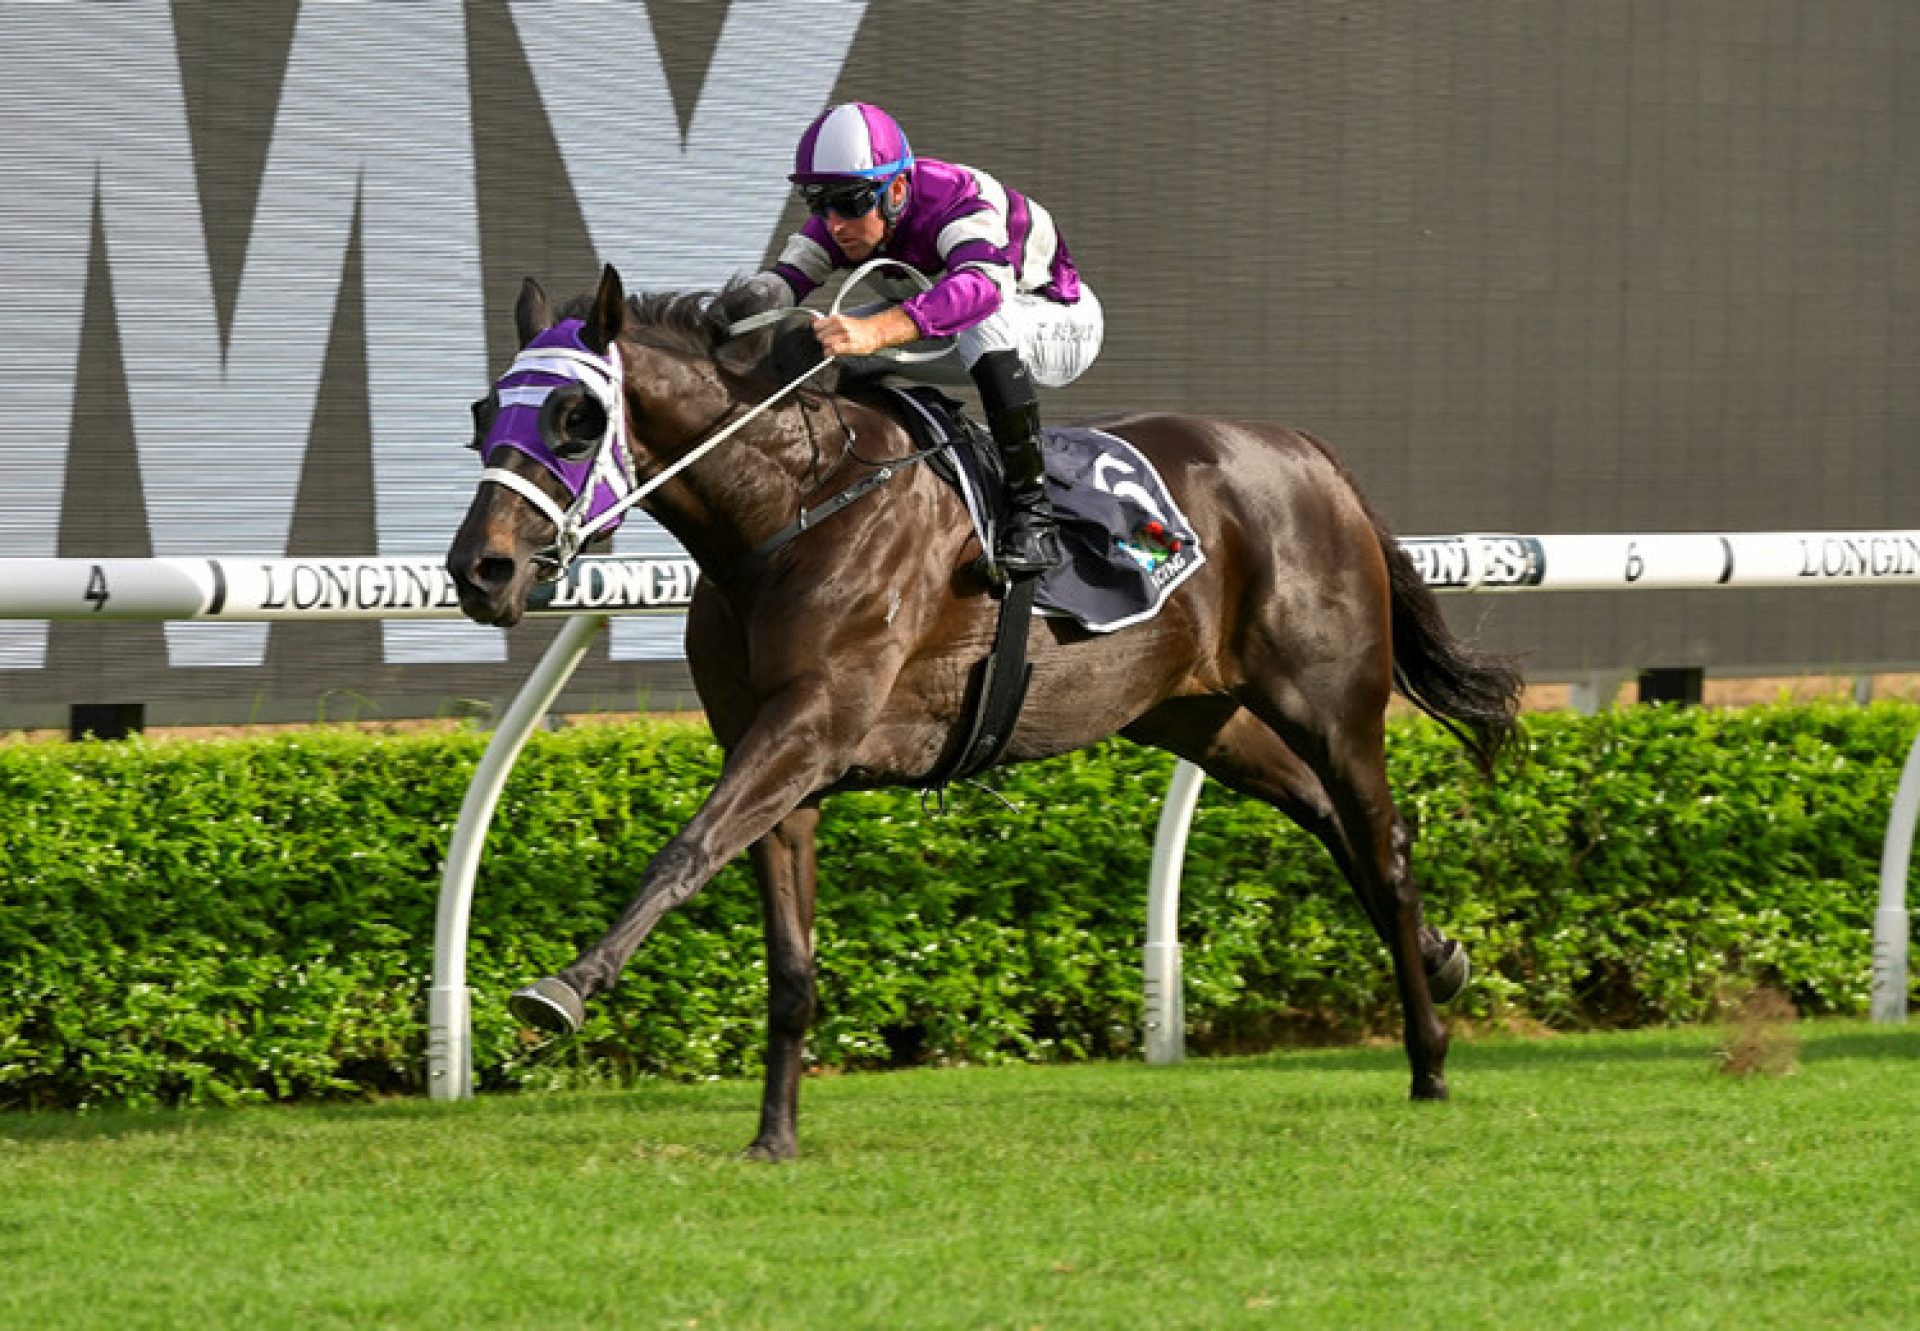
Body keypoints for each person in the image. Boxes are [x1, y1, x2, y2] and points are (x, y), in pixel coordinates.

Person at [729, 102, 1104, 576]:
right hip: (963, 325)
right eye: (819, 204)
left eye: (849, 203)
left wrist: (876, 332)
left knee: (978, 322)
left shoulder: (957, 197)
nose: (834, 224)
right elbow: (781, 283)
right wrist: (721, 313)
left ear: (898, 189)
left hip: (1060, 323)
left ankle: (1034, 516)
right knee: (812, 345)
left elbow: (981, 290)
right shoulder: (842, 219)